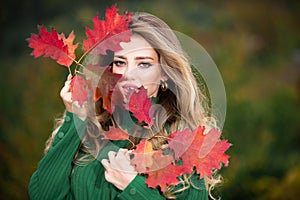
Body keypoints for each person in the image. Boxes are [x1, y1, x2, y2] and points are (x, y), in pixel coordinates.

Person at [28, 10, 225, 200]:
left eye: (144, 64)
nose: (129, 75)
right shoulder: (89, 129)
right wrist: (74, 117)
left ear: (164, 73)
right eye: (120, 63)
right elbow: (43, 195)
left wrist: (132, 187)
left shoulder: (187, 143)